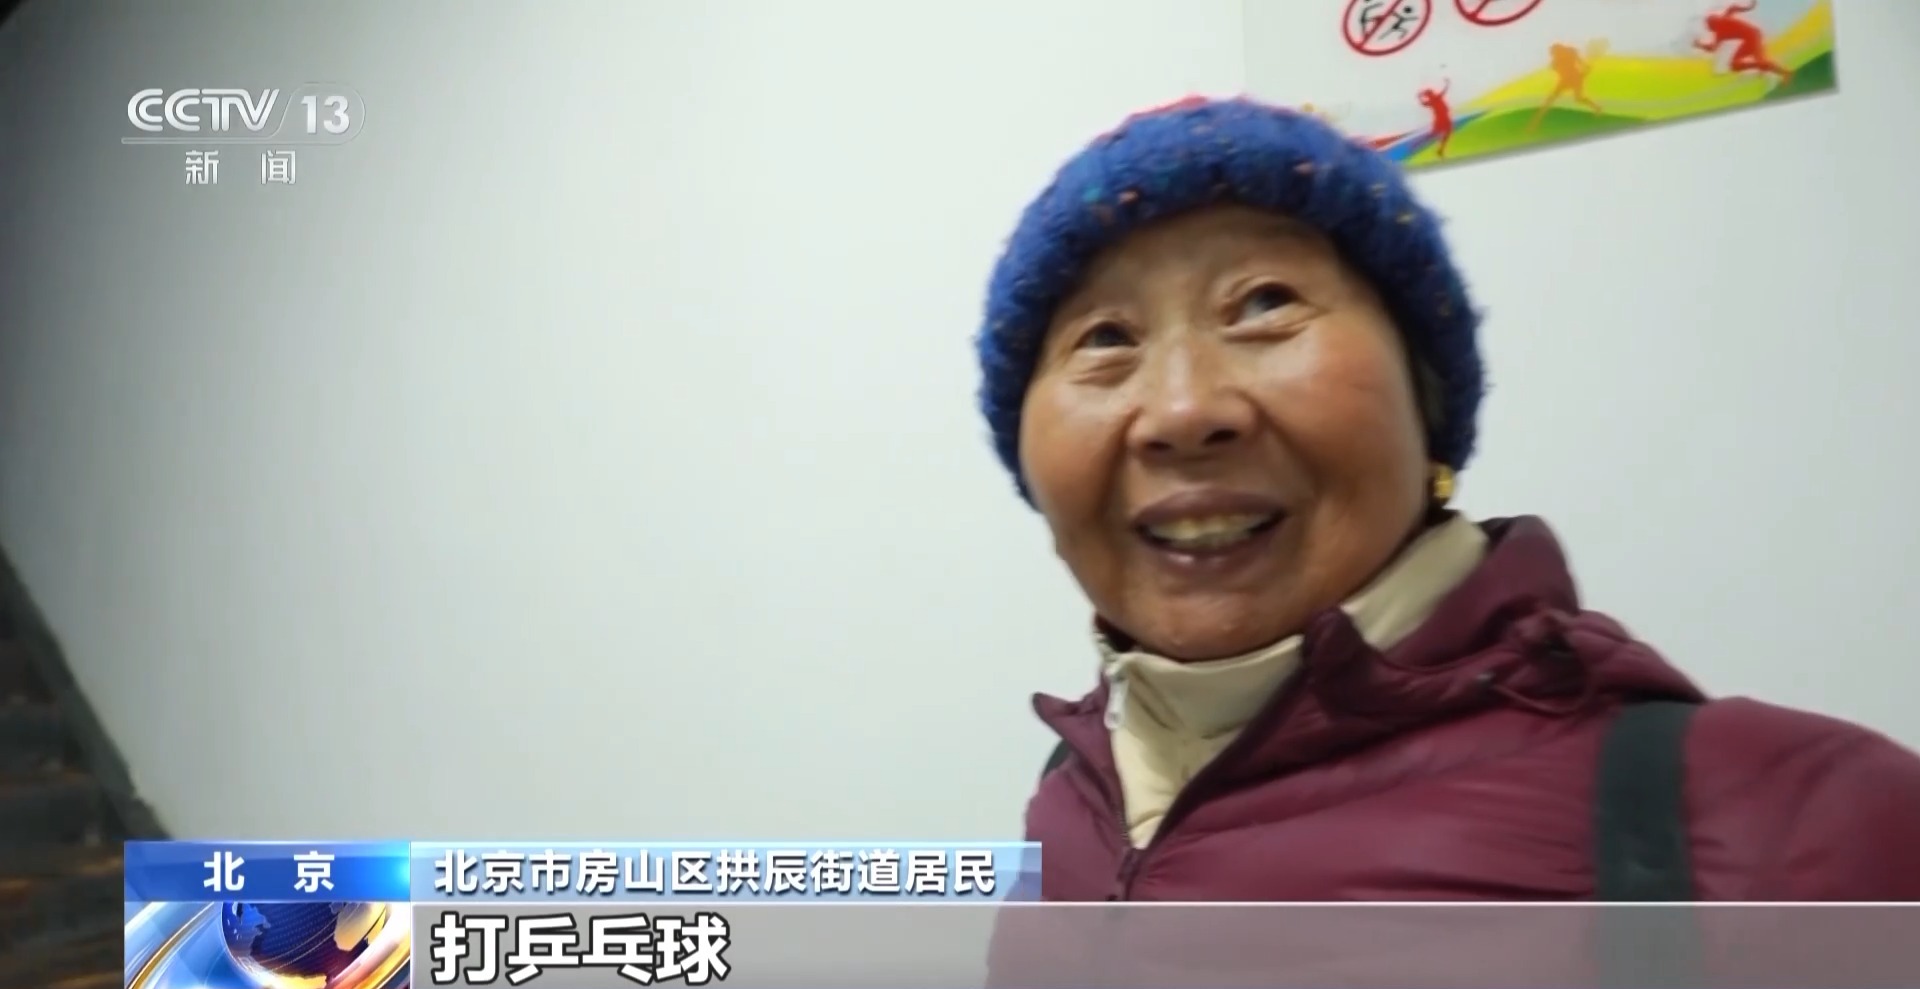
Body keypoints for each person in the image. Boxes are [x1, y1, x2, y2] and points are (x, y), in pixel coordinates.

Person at [972, 96, 1920, 907]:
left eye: (1264, 303)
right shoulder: (1071, 799)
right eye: (1104, 338)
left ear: (1424, 401)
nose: (1183, 410)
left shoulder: (1806, 831)